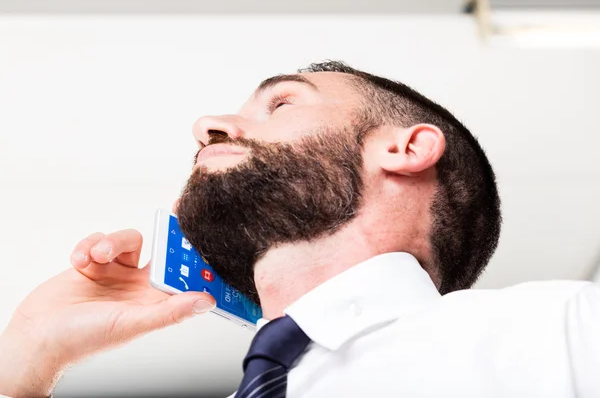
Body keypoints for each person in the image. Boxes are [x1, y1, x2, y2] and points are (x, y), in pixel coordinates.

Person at [0, 61, 598, 398]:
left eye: (281, 104)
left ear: (405, 147)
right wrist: (28, 357)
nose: (207, 124)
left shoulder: (562, 330)